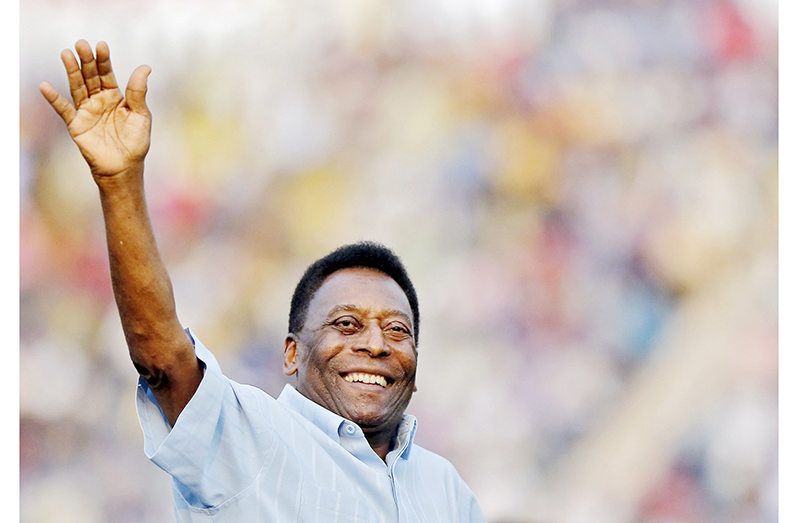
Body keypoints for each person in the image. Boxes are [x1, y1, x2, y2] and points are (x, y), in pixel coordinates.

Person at [40, 40, 487, 523]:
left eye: (398, 331)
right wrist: (120, 182)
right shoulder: (251, 439)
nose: (377, 344)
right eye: (347, 324)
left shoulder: (446, 489)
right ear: (292, 353)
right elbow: (163, 358)